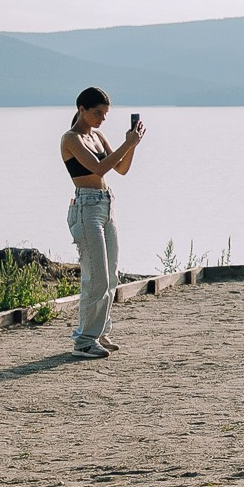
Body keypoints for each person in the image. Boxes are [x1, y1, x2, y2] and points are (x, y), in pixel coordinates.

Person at [60, 87, 144, 360]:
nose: (102, 119)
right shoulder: (71, 139)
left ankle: (99, 332)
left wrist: (132, 145)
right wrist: (127, 144)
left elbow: (121, 168)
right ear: (81, 109)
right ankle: (84, 340)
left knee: (111, 275)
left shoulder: (97, 136)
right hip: (86, 207)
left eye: (105, 114)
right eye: (97, 113)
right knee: (96, 276)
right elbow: (97, 169)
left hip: (106, 204)